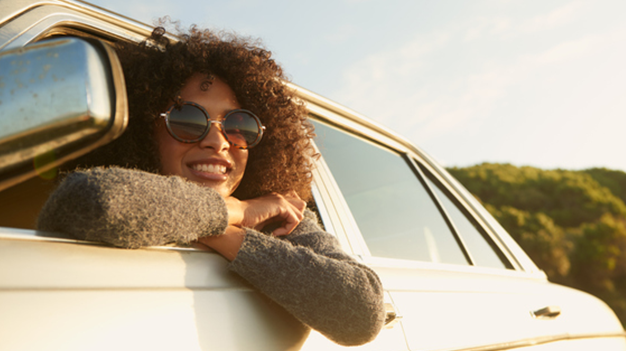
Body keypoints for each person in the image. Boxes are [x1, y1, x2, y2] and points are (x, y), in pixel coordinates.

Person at [35, 25, 385, 346]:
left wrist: (229, 233)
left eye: (239, 126)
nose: (218, 142)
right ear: (144, 130)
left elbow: (363, 313)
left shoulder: (281, 220)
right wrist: (237, 211)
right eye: (188, 120)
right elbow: (94, 200)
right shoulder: (254, 209)